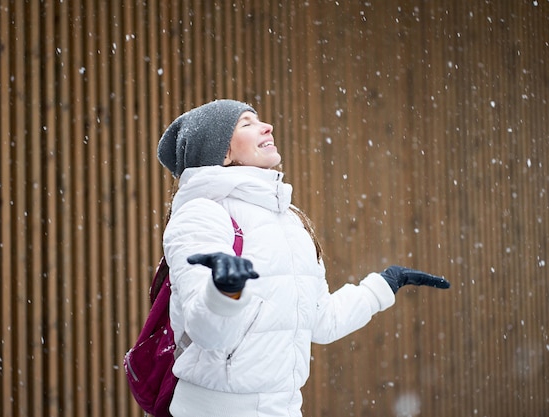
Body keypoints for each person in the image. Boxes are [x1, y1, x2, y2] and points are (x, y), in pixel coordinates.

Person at [156, 99, 450, 417]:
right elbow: (207, 333)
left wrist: (380, 287)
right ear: (222, 153)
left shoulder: (289, 218)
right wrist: (225, 292)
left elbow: (320, 320)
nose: (266, 126)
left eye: (260, 120)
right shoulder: (202, 213)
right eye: (246, 123)